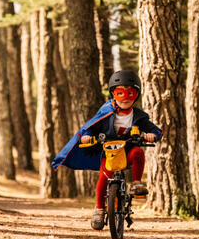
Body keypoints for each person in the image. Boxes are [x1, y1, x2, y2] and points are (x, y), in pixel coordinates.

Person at [51, 70, 162, 230]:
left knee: (138, 152)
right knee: (104, 177)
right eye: (120, 93)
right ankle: (99, 208)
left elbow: (156, 131)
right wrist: (87, 136)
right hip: (109, 152)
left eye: (130, 93)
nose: (124, 98)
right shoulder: (106, 110)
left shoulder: (139, 116)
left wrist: (151, 135)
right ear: (113, 94)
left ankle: (137, 183)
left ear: (136, 95)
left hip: (127, 151)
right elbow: (90, 127)